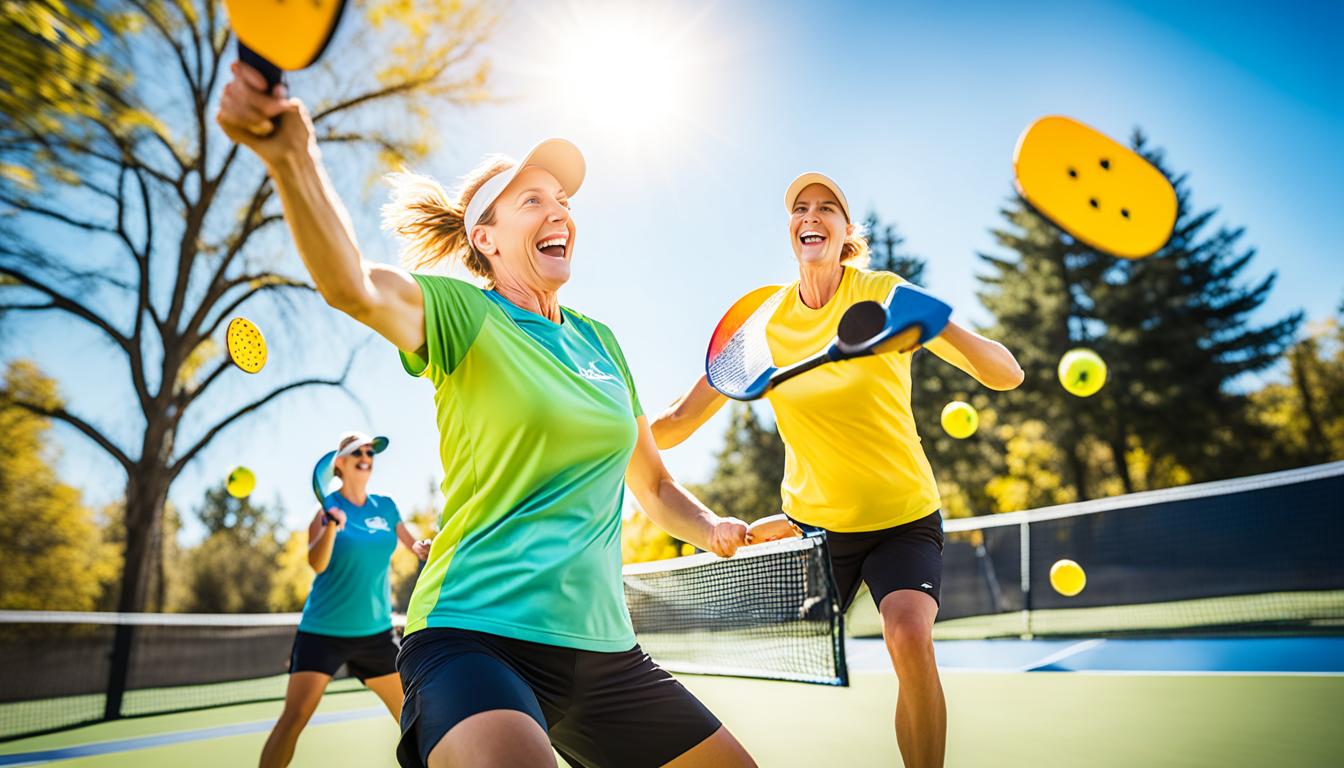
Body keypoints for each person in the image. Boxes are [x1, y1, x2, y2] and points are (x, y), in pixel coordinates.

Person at [217, 62, 755, 768]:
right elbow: (349, 284)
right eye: (532, 200)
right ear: (488, 240)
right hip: (475, 636)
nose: (559, 209)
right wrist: (293, 158)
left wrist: (711, 526)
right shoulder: (462, 313)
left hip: (604, 652)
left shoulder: (601, 342)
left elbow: (651, 486)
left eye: (562, 198)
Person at [651, 172, 1024, 768]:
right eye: (801, 208)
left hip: (903, 516)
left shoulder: (881, 292)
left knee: (908, 634)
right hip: (818, 531)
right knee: (787, 657)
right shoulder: (765, 325)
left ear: (846, 232)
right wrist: (595, 430)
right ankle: (782, 523)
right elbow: (675, 422)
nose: (812, 215)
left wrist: (936, 321)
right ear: (791, 230)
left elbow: (1007, 375)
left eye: (828, 208)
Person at [260, 431, 432, 768]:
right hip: (323, 633)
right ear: (339, 463)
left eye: (370, 451)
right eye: (358, 452)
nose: (366, 456)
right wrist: (330, 528)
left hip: (376, 635)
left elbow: (414, 546)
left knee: (415, 719)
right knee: (293, 719)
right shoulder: (325, 511)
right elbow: (317, 563)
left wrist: (425, 549)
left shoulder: (386, 506)